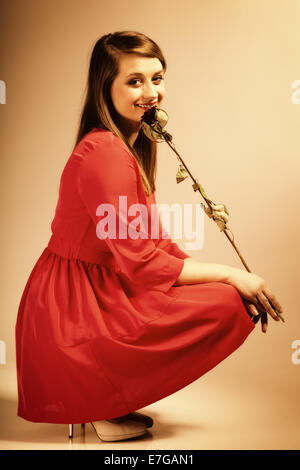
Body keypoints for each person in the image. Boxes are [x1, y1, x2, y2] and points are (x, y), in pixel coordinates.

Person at [15, 30, 284, 443]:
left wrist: (222, 276)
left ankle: (109, 398)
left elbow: (153, 240)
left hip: (99, 285)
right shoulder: (105, 153)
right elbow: (141, 260)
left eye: (157, 78)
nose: (151, 92)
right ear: (105, 87)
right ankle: (98, 401)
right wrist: (233, 276)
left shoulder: (128, 145)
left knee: (221, 296)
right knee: (227, 298)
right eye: (135, 81)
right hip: (75, 305)